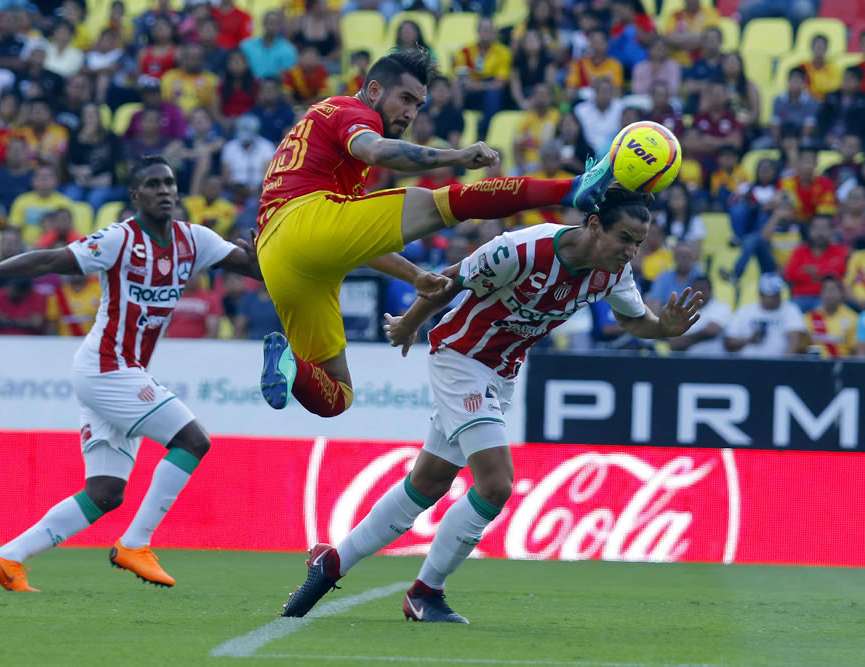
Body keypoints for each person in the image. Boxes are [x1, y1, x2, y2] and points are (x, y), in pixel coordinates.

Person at [279, 187, 703, 622]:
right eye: (626, 238)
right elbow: (448, 282)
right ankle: (426, 592)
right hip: (460, 360)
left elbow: (634, 321)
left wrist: (663, 328)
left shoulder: (611, 274)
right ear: (594, 225)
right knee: (497, 483)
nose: (632, 252)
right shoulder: (522, 248)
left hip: (502, 373)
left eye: (639, 242)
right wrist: (409, 324)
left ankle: (332, 562)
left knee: (427, 484)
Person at [255, 49, 618, 420]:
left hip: (278, 256)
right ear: (375, 89)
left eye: (419, 105)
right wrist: (455, 157)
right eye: (406, 99)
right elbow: (377, 151)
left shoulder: (325, 136)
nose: (411, 113)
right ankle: (571, 189)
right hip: (306, 220)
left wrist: (414, 275)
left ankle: (290, 365)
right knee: (448, 203)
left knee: (337, 395)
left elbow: (348, 242)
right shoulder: (353, 111)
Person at [0, 156, 262, 592]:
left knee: (105, 492)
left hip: (121, 371)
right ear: (135, 196)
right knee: (193, 440)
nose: (164, 191)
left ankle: (8, 557)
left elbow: (252, 269)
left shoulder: (195, 240)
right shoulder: (121, 239)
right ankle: (135, 543)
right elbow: (51, 260)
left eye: (170, 184)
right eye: (153, 185)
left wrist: (260, 254)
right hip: (106, 369)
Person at [724, 272, 805, 357]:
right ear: (761, 294)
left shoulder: (790, 309)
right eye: (772, 295)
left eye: (778, 293)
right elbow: (729, 343)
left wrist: (783, 365)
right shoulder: (744, 311)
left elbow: (794, 341)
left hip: (777, 364)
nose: (777, 298)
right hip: (747, 365)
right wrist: (749, 340)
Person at [784, 215, 849, 312]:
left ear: (832, 231)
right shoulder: (800, 251)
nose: (820, 232)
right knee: (790, 312)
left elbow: (838, 273)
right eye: (816, 228)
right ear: (810, 231)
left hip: (827, 299)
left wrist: (808, 271)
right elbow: (790, 274)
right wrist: (823, 272)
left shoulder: (841, 251)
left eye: (824, 228)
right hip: (800, 297)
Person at [667, 274, 730, 356]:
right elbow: (673, 343)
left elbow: (712, 331)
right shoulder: (684, 310)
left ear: (711, 291)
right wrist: (698, 337)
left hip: (714, 360)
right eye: (697, 290)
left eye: (703, 289)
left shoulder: (721, 306)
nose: (700, 294)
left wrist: (685, 339)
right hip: (686, 361)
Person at [803, 274, 857, 358]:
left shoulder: (852, 318)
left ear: (841, 294)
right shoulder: (809, 317)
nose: (829, 294)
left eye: (833, 290)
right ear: (821, 293)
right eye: (826, 289)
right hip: (815, 366)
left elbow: (855, 351)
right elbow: (803, 347)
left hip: (842, 366)